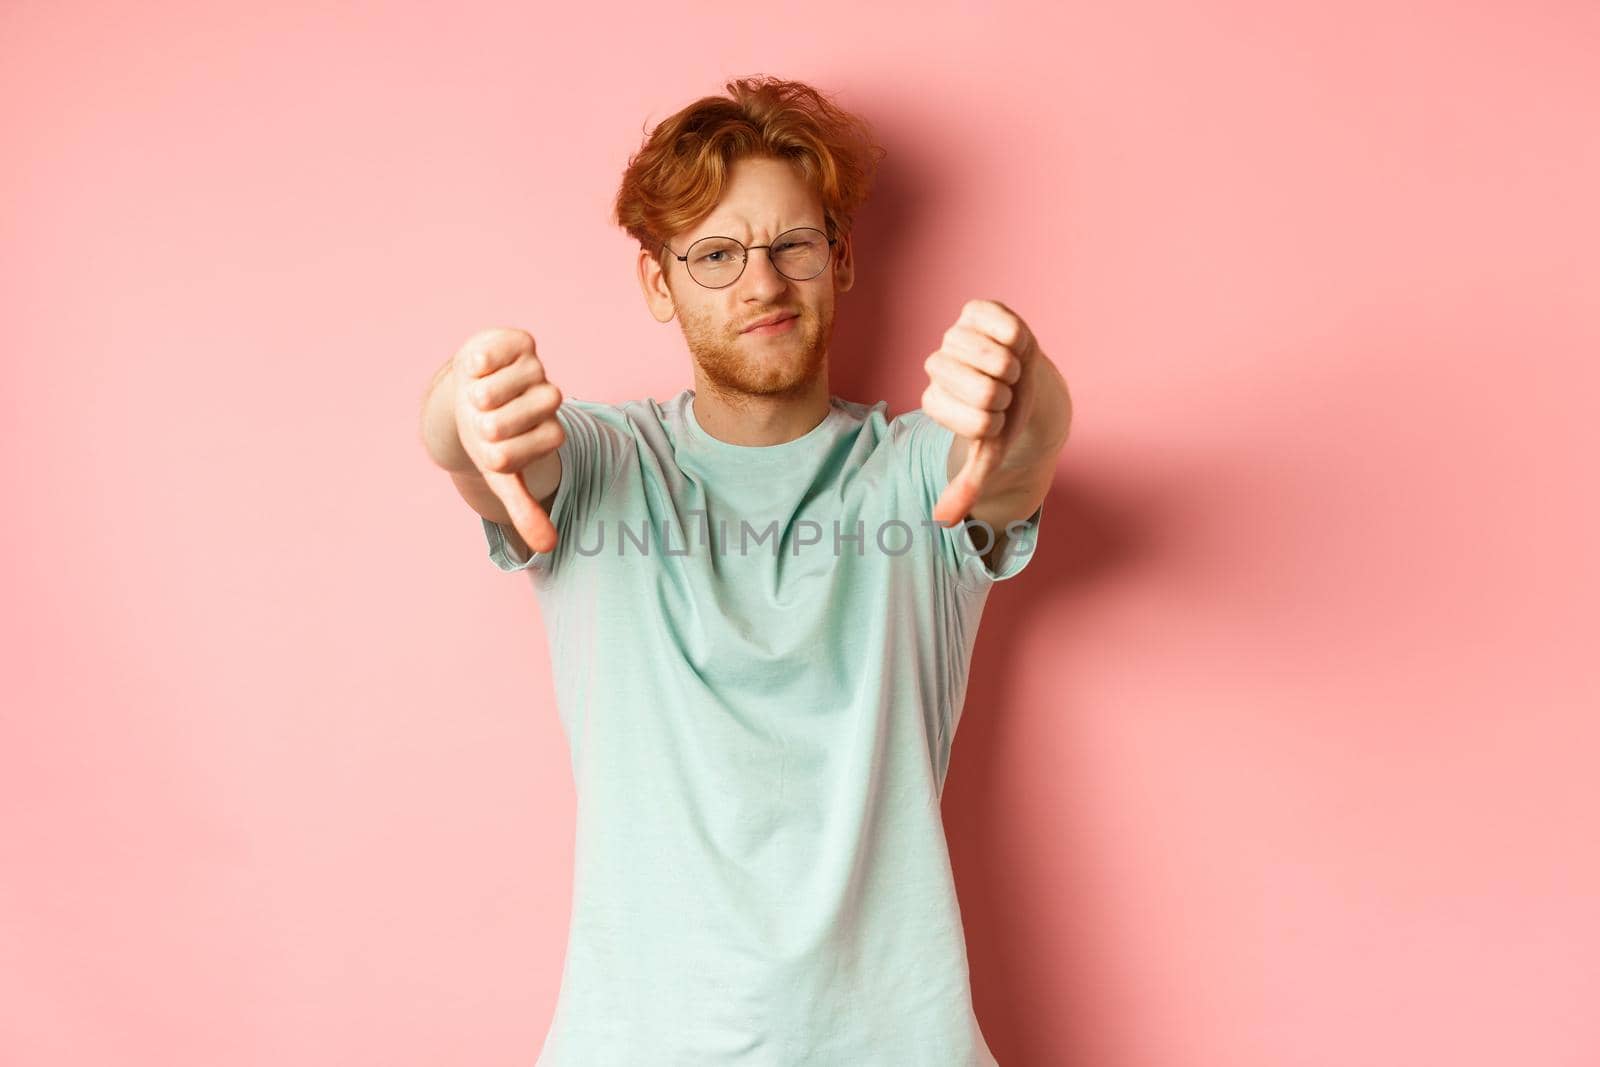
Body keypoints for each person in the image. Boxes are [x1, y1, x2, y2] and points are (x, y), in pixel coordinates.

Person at [418, 75, 1072, 1067]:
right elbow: (482, 453)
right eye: (715, 254)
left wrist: (1023, 391)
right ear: (658, 283)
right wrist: (459, 412)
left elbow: (1017, 454)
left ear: (839, 260)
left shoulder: (915, 476)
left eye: (790, 246)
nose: (760, 283)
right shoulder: (602, 467)